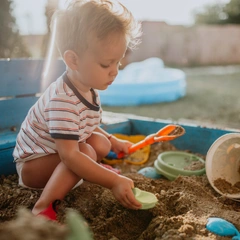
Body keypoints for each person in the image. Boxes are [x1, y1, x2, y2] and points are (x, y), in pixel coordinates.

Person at [13, 0, 142, 220]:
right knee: (85, 153)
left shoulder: (87, 88)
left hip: (56, 153)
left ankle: (90, 171)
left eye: (117, 63)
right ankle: (42, 209)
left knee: (101, 143)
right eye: (106, 64)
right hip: (33, 165)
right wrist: (113, 182)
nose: (114, 72)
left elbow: (87, 126)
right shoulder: (62, 100)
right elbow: (70, 156)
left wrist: (114, 140)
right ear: (73, 60)